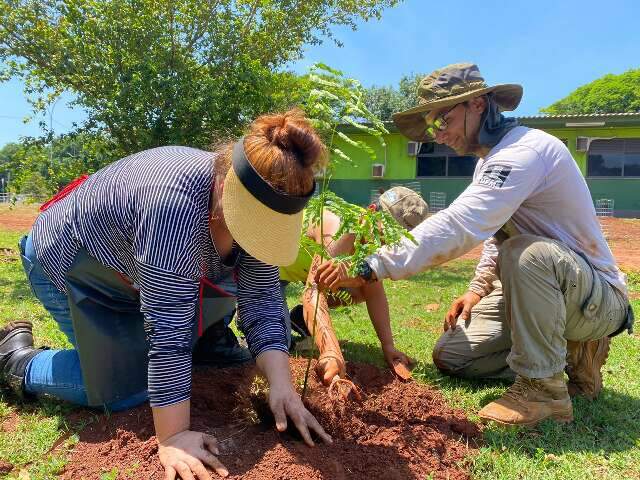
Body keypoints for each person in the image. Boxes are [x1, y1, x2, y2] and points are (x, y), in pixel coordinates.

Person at [0, 109, 332, 479]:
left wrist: (283, 386)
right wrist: (173, 435)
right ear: (225, 190)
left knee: (209, 296)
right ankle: (18, 362)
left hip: (135, 276)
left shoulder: (255, 192)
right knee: (125, 387)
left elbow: (263, 298)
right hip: (74, 265)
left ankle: (205, 343)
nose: (256, 241)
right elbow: (168, 331)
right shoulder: (173, 209)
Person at [314, 63, 634, 427]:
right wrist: (477, 290)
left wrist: (368, 265)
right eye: (432, 126)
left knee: (527, 254)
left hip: (597, 299)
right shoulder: (488, 164)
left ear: (478, 104)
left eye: (442, 120)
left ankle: (544, 390)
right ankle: (568, 360)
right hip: (557, 290)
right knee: (453, 355)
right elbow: (497, 237)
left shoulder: (525, 151)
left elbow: (462, 224)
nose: (437, 134)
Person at [280, 186, 426, 383]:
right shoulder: (341, 229)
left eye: (394, 242)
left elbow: (374, 293)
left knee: (360, 289)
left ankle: (299, 318)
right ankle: (256, 316)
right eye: (385, 235)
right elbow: (313, 292)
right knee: (276, 342)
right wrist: (330, 350)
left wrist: (388, 346)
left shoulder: (372, 244)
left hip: (303, 270)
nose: (385, 245)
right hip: (271, 268)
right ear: (372, 212)